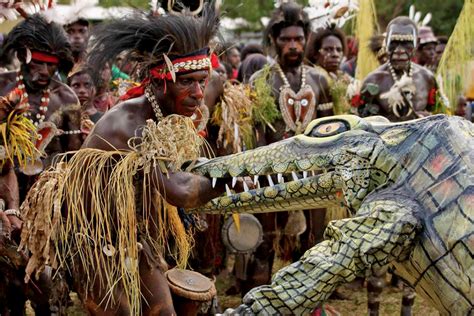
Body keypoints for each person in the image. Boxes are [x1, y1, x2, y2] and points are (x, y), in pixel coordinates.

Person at [19, 6, 233, 315]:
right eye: (187, 82)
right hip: (91, 239)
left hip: (136, 236)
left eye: (202, 81)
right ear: (160, 82)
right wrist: (231, 181)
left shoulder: (165, 114)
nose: (198, 93)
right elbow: (179, 190)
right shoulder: (130, 122)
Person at [232, 2, 331, 297]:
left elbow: (329, 128)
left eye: (298, 39)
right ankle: (261, 302)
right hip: (271, 175)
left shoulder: (319, 80)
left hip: (314, 176)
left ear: (306, 40)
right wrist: (259, 173)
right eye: (286, 39)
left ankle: (306, 303)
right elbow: (254, 135)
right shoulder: (261, 80)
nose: (292, 45)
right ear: (274, 40)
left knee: (312, 245)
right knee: (266, 243)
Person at [352, 17, 442, 122]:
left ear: (417, 43)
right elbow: (363, 125)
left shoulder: (427, 78)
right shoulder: (373, 81)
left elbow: (437, 116)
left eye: (406, 43)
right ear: (386, 42)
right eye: (394, 43)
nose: (399, 50)